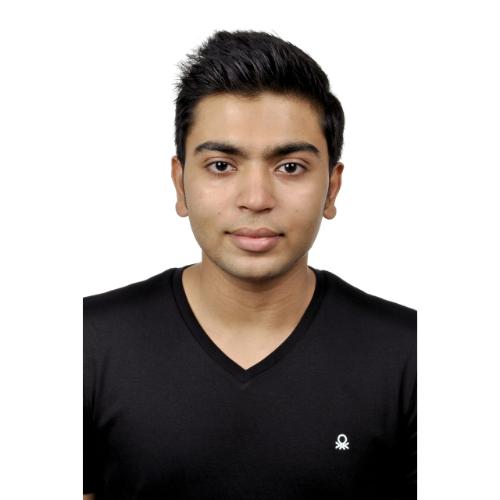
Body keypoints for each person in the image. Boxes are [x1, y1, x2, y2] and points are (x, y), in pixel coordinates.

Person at [83, 30, 416, 499]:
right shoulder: (83, 344)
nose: (256, 199)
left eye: (290, 167)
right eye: (221, 165)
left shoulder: (414, 355)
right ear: (180, 183)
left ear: (332, 188)